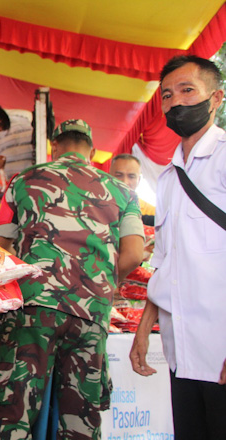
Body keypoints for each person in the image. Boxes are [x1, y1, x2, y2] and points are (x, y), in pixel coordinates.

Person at [0, 119, 144, 439]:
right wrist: (100, 285)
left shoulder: (22, 180)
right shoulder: (124, 192)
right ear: (92, 151)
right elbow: (135, 254)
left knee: (13, 413)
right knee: (80, 418)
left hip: (32, 310)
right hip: (91, 313)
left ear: (54, 147)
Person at [129, 55, 226, 440]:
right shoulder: (168, 178)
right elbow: (165, 263)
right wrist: (144, 327)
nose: (176, 102)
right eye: (167, 95)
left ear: (215, 98)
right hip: (181, 351)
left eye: (188, 90)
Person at [109, 153, 155, 225]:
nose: (124, 182)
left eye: (131, 177)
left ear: (138, 180)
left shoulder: (150, 211)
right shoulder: (95, 205)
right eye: (118, 175)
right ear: (109, 177)